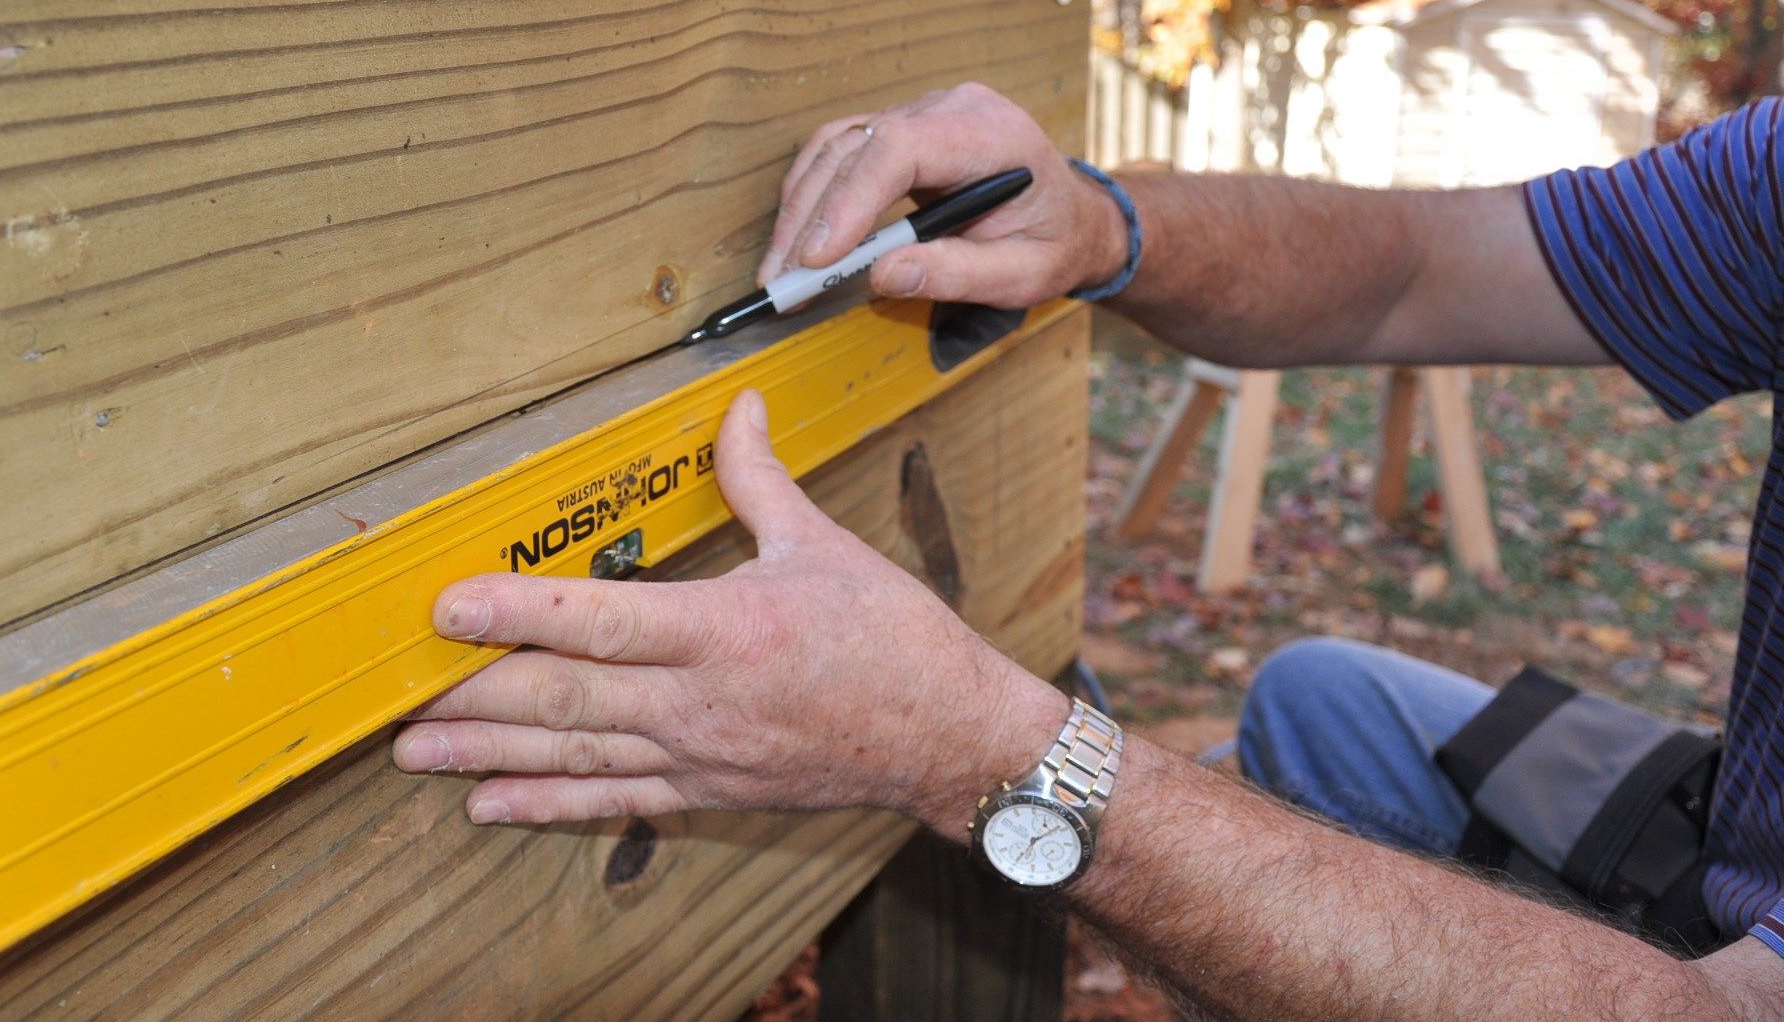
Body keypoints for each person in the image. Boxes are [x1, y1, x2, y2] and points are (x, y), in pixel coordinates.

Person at [392, 83, 1784, 1019]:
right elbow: (1427, 264)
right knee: (1316, 708)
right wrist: (1105, 224)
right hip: (1738, 844)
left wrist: (988, 758)